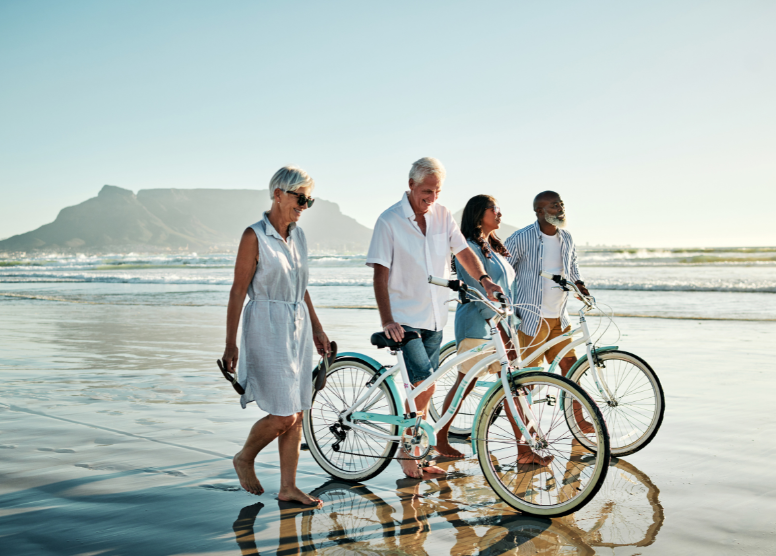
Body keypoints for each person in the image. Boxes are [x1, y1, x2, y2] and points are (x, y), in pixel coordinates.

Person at [366, 157, 503, 479]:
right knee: (422, 382)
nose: (432, 197)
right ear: (411, 186)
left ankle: (415, 449)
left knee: (425, 387)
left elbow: (463, 252)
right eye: (427, 191)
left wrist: (484, 279)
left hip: (436, 315)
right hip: (403, 318)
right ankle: (408, 452)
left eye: (437, 191)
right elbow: (379, 274)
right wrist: (388, 320)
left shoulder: (443, 216)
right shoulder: (389, 221)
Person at [222, 165, 331, 504]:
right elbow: (238, 291)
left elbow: (302, 286)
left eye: (309, 200)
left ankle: (288, 487)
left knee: (298, 406)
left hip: (296, 323)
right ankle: (245, 457)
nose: (304, 205)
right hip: (266, 325)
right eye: (301, 197)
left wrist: (317, 326)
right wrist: (230, 343)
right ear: (278, 194)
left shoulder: (298, 235)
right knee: (285, 413)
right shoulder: (253, 236)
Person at [435, 195, 553, 466]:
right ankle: (441, 437)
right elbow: (475, 290)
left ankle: (524, 449)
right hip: (479, 326)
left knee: (512, 387)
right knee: (466, 383)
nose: (500, 214)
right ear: (479, 214)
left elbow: (505, 291)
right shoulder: (468, 248)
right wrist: (497, 325)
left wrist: (513, 321)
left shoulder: (490, 246)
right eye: (495, 210)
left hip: (502, 325)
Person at [504, 191, 590, 377]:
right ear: (539, 211)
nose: (560, 209)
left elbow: (572, 266)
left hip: (560, 317)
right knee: (530, 376)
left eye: (561, 204)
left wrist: (580, 285)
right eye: (554, 205)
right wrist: (506, 305)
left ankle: (576, 408)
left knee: (571, 368)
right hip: (531, 319)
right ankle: (519, 405)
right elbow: (503, 271)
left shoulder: (567, 238)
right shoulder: (521, 238)